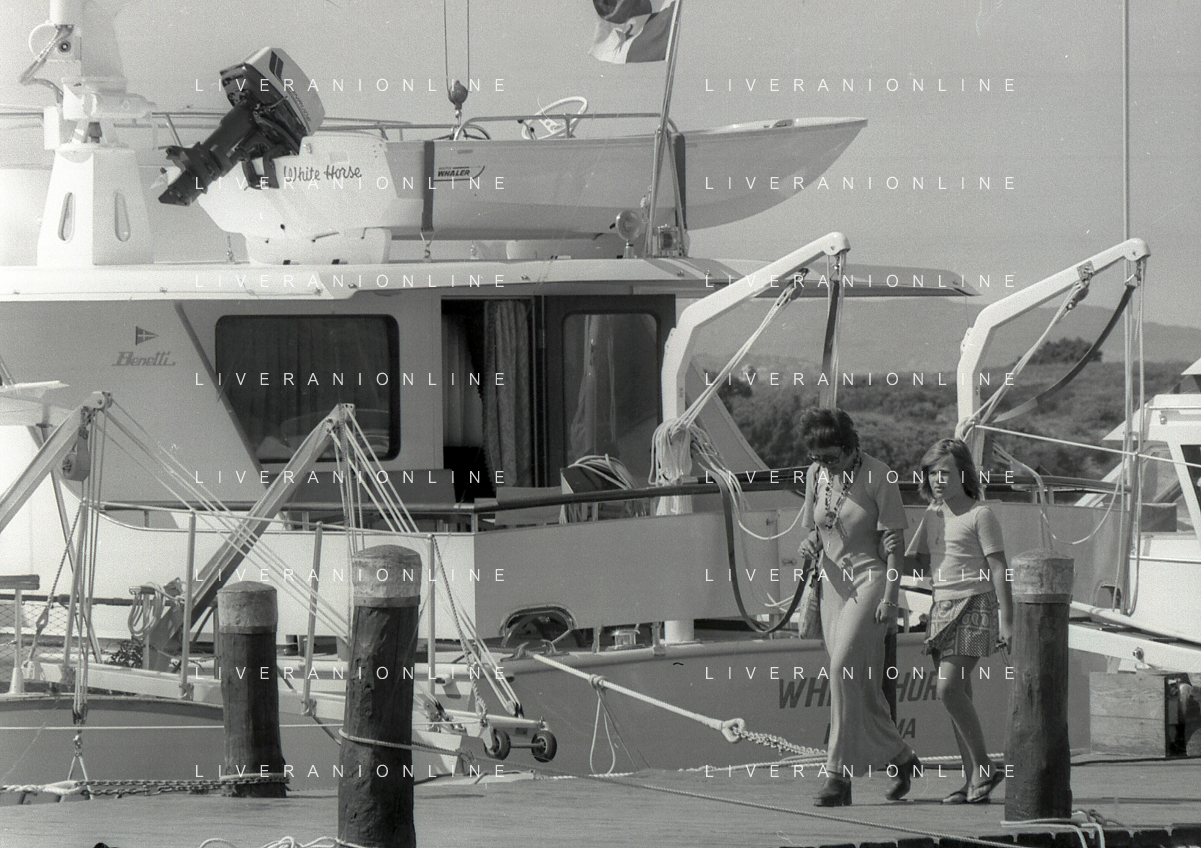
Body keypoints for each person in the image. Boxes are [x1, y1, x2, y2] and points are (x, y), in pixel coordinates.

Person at [797, 408, 921, 806]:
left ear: (851, 448)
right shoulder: (816, 475)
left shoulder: (880, 475)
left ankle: (837, 776)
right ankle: (901, 757)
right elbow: (818, 529)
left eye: (831, 457)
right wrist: (811, 543)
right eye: (817, 458)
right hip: (832, 586)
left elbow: (896, 547)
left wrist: (890, 599)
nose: (825, 465)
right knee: (859, 685)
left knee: (840, 670)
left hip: (871, 583)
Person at [904, 438, 1013, 804]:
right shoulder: (931, 515)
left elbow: (999, 568)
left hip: (976, 604)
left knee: (947, 688)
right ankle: (973, 781)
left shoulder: (981, 515)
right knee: (958, 695)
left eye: (945, 473)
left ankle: (984, 766)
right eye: (932, 473)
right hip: (941, 607)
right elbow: (918, 562)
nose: (938, 479)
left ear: (963, 474)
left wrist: (1007, 620)